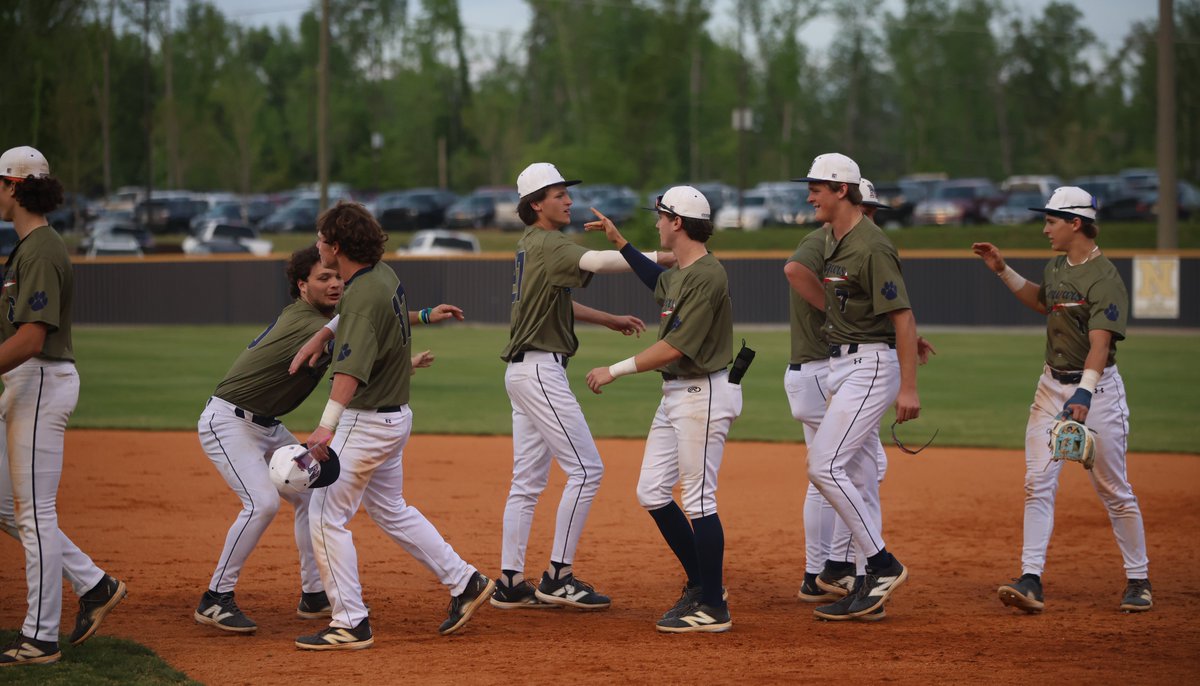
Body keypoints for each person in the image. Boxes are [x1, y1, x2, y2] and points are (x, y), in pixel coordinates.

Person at [295, 202, 491, 651]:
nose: (318, 245)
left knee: (323, 517)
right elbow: (369, 315)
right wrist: (324, 332)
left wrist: (326, 427)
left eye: (322, 239)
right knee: (390, 509)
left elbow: (349, 371)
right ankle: (466, 581)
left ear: (337, 246)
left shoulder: (361, 294)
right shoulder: (380, 275)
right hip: (394, 417)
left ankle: (350, 622)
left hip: (363, 423)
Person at [974, 186, 1151, 613]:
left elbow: (1101, 343)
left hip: (1098, 392)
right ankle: (1031, 578)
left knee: (1113, 489)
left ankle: (1138, 579)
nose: (1045, 229)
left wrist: (1084, 393)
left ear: (1076, 223)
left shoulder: (1105, 278)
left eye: (1051, 221)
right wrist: (1002, 270)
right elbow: (1042, 302)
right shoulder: (1056, 267)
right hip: (1050, 387)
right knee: (1037, 482)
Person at [494, 162, 660, 611]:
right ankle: (557, 577)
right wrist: (668, 256)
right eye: (558, 194)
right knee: (587, 471)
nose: (568, 200)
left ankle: (510, 581)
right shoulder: (550, 242)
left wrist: (607, 319)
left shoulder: (530, 243)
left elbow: (557, 301)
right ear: (536, 204)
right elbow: (601, 262)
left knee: (527, 483)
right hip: (539, 372)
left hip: (522, 372)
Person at [584, 186, 740, 633]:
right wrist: (620, 242)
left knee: (699, 499)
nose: (656, 223)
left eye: (660, 216)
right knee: (652, 491)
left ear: (677, 222)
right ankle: (701, 583)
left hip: (701, 393)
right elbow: (658, 281)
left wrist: (614, 369)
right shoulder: (684, 272)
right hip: (677, 394)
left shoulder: (708, 275)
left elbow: (675, 347)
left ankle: (713, 606)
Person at [0, 146, 126, 667]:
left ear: (14, 186)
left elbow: (32, 337)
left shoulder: (41, 250)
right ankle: (95, 585)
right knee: (6, 504)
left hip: (40, 379)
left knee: (35, 513)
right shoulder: (30, 245)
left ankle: (40, 637)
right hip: (28, 380)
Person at [789, 154, 920, 621]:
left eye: (816, 188)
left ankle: (882, 565)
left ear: (841, 190)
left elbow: (902, 316)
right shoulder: (835, 240)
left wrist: (908, 388)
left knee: (823, 465)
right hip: (842, 364)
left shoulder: (871, 245)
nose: (810, 197)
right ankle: (866, 585)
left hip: (869, 366)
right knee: (862, 480)